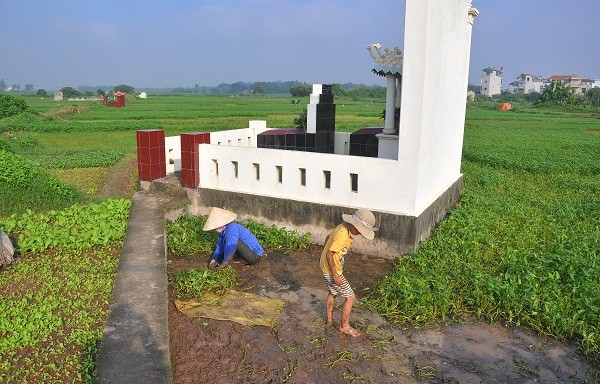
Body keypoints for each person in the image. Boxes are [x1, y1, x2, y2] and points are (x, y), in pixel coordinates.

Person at [319, 208, 376, 337]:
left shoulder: (342, 227)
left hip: (325, 266)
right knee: (351, 297)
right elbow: (330, 253)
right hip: (332, 270)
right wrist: (335, 274)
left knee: (333, 292)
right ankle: (344, 326)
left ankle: (329, 321)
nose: (360, 234)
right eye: (360, 231)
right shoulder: (343, 235)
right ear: (354, 225)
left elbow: (328, 238)